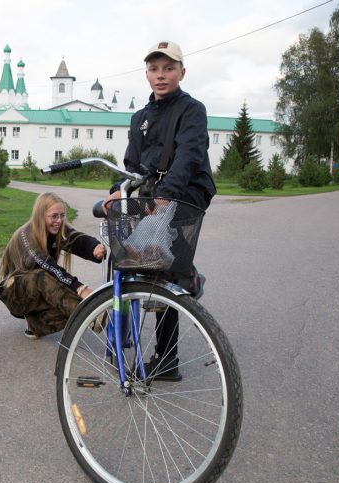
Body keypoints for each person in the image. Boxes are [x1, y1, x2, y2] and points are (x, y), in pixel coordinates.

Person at [103, 41, 216, 381]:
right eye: (154, 69)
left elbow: (189, 155)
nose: (161, 75)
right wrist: (115, 191)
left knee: (163, 265)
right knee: (138, 257)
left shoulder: (192, 110)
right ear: (147, 73)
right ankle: (183, 278)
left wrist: (166, 197)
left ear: (182, 72)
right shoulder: (140, 117)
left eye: (168, 68)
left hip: (188, 191)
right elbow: (131, 164)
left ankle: (168, 355)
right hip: (153, 193)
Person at [0, 192, 106, 339]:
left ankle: (36, 324)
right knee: (46, 278)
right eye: (54, 216)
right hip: (14, 295)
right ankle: (89, 314)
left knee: (63, 297)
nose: (59, 221)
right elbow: (47, 266)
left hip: (34, 291)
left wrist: (94, 248)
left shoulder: (57, 228)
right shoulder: (26, 236)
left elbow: (76, 239)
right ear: (40, 215)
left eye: (62, 215)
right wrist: (81, 289)